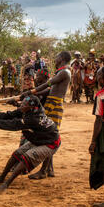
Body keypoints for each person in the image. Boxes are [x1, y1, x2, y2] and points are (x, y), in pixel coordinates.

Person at [0, 95, 60, 192]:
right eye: (22, 103)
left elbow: (13, 124)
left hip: (50, 143)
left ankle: (7, 183)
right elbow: (7, 115)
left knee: (26, 158)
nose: (21, 106)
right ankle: (2, 177)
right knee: (16, 154)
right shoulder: (29, 110)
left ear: (31, 107)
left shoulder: (33, 119)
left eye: (24, 104)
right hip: (39, 139)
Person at [22, 51, 71, 180]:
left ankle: (44, 171)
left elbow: (48, 84)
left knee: (50, 137)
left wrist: (31, 91)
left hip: (54, 105)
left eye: (57, 57)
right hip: (51, 104)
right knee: (49, 135)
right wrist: (33, 94)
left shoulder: (64, 72)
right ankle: (49, 169)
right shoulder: (62, 72)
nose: (55, 59)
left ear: (62, 58)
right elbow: (49, 89)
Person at [89, 65, 104, 207]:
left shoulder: (101, 95)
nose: (97, 78)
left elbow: (99, 120)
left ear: (103, 77)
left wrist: (93, 141)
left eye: (98, 75)